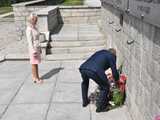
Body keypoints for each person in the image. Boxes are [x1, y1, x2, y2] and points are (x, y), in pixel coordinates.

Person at [26, 13, 43, 84]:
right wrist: (33, 51)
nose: (36, 21)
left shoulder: (34, 27)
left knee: (35, 63)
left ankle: (35, 77)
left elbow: (37, 37)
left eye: (36, 20)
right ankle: (36, 78)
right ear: (31, 20)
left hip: (37, 47)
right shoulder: (29, 29)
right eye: (35, 20)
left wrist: (40, 48)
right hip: (33, 49)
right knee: (34, 64)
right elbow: (29, 41)